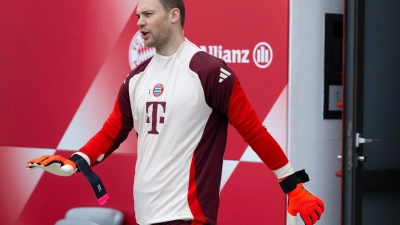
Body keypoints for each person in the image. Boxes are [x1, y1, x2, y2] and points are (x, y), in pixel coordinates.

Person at [26, 0, 325, 224]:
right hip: (146, 215)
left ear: (173, 15)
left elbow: (254, 132)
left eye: (148, 14)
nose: (140, 22)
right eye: (137, 16)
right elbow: (110, 132)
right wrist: (74, 163)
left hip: (188, 216)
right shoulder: (136, 79)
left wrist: (292, 184)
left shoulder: (209, 71)